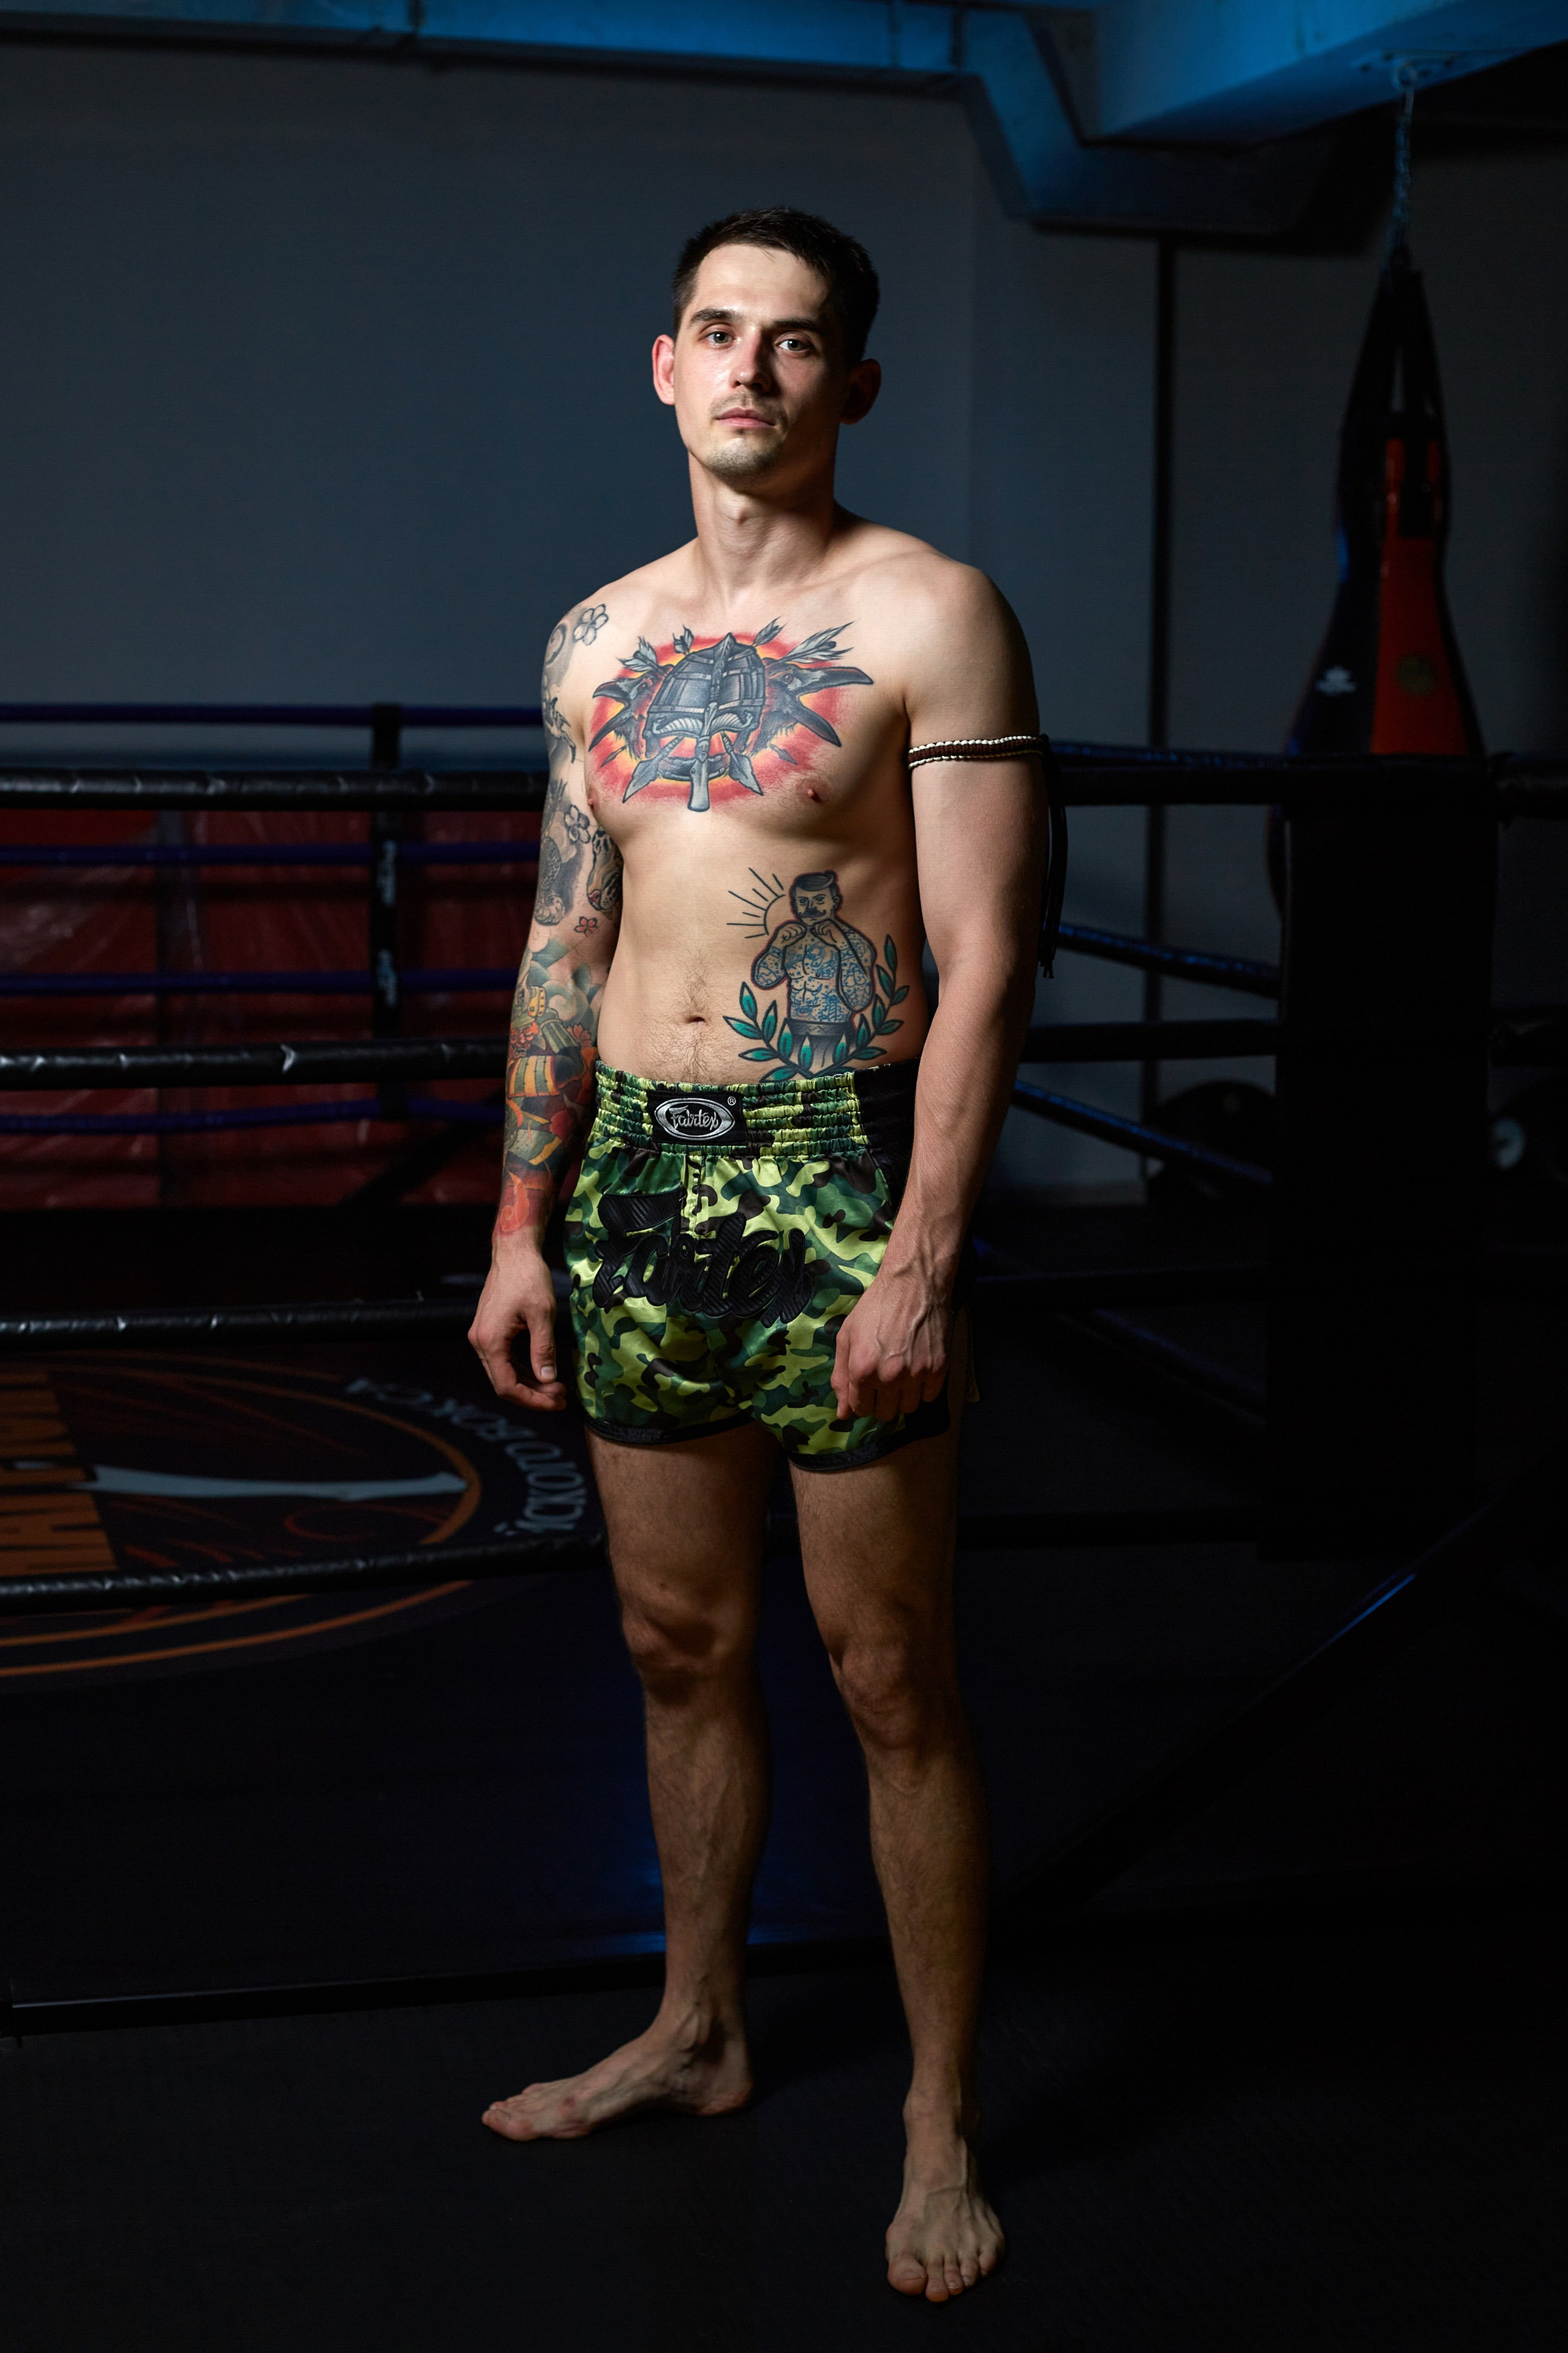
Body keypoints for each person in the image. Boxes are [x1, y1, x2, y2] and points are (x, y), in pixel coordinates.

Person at [469, 205, 1047, 2304]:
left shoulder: (933, 613)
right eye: (721, 332)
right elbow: (564, 934)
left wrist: (924, 1251)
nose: (753, 372)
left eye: (799, 345)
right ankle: (697, 2028)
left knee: (893, 1674)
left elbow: (986, 958)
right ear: (663, 361)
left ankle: (936, 2113)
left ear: (852, 384)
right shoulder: (594, 638)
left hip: (835, 1178)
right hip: (634, 1181)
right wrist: (524, 1216)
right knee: (675, 1651)